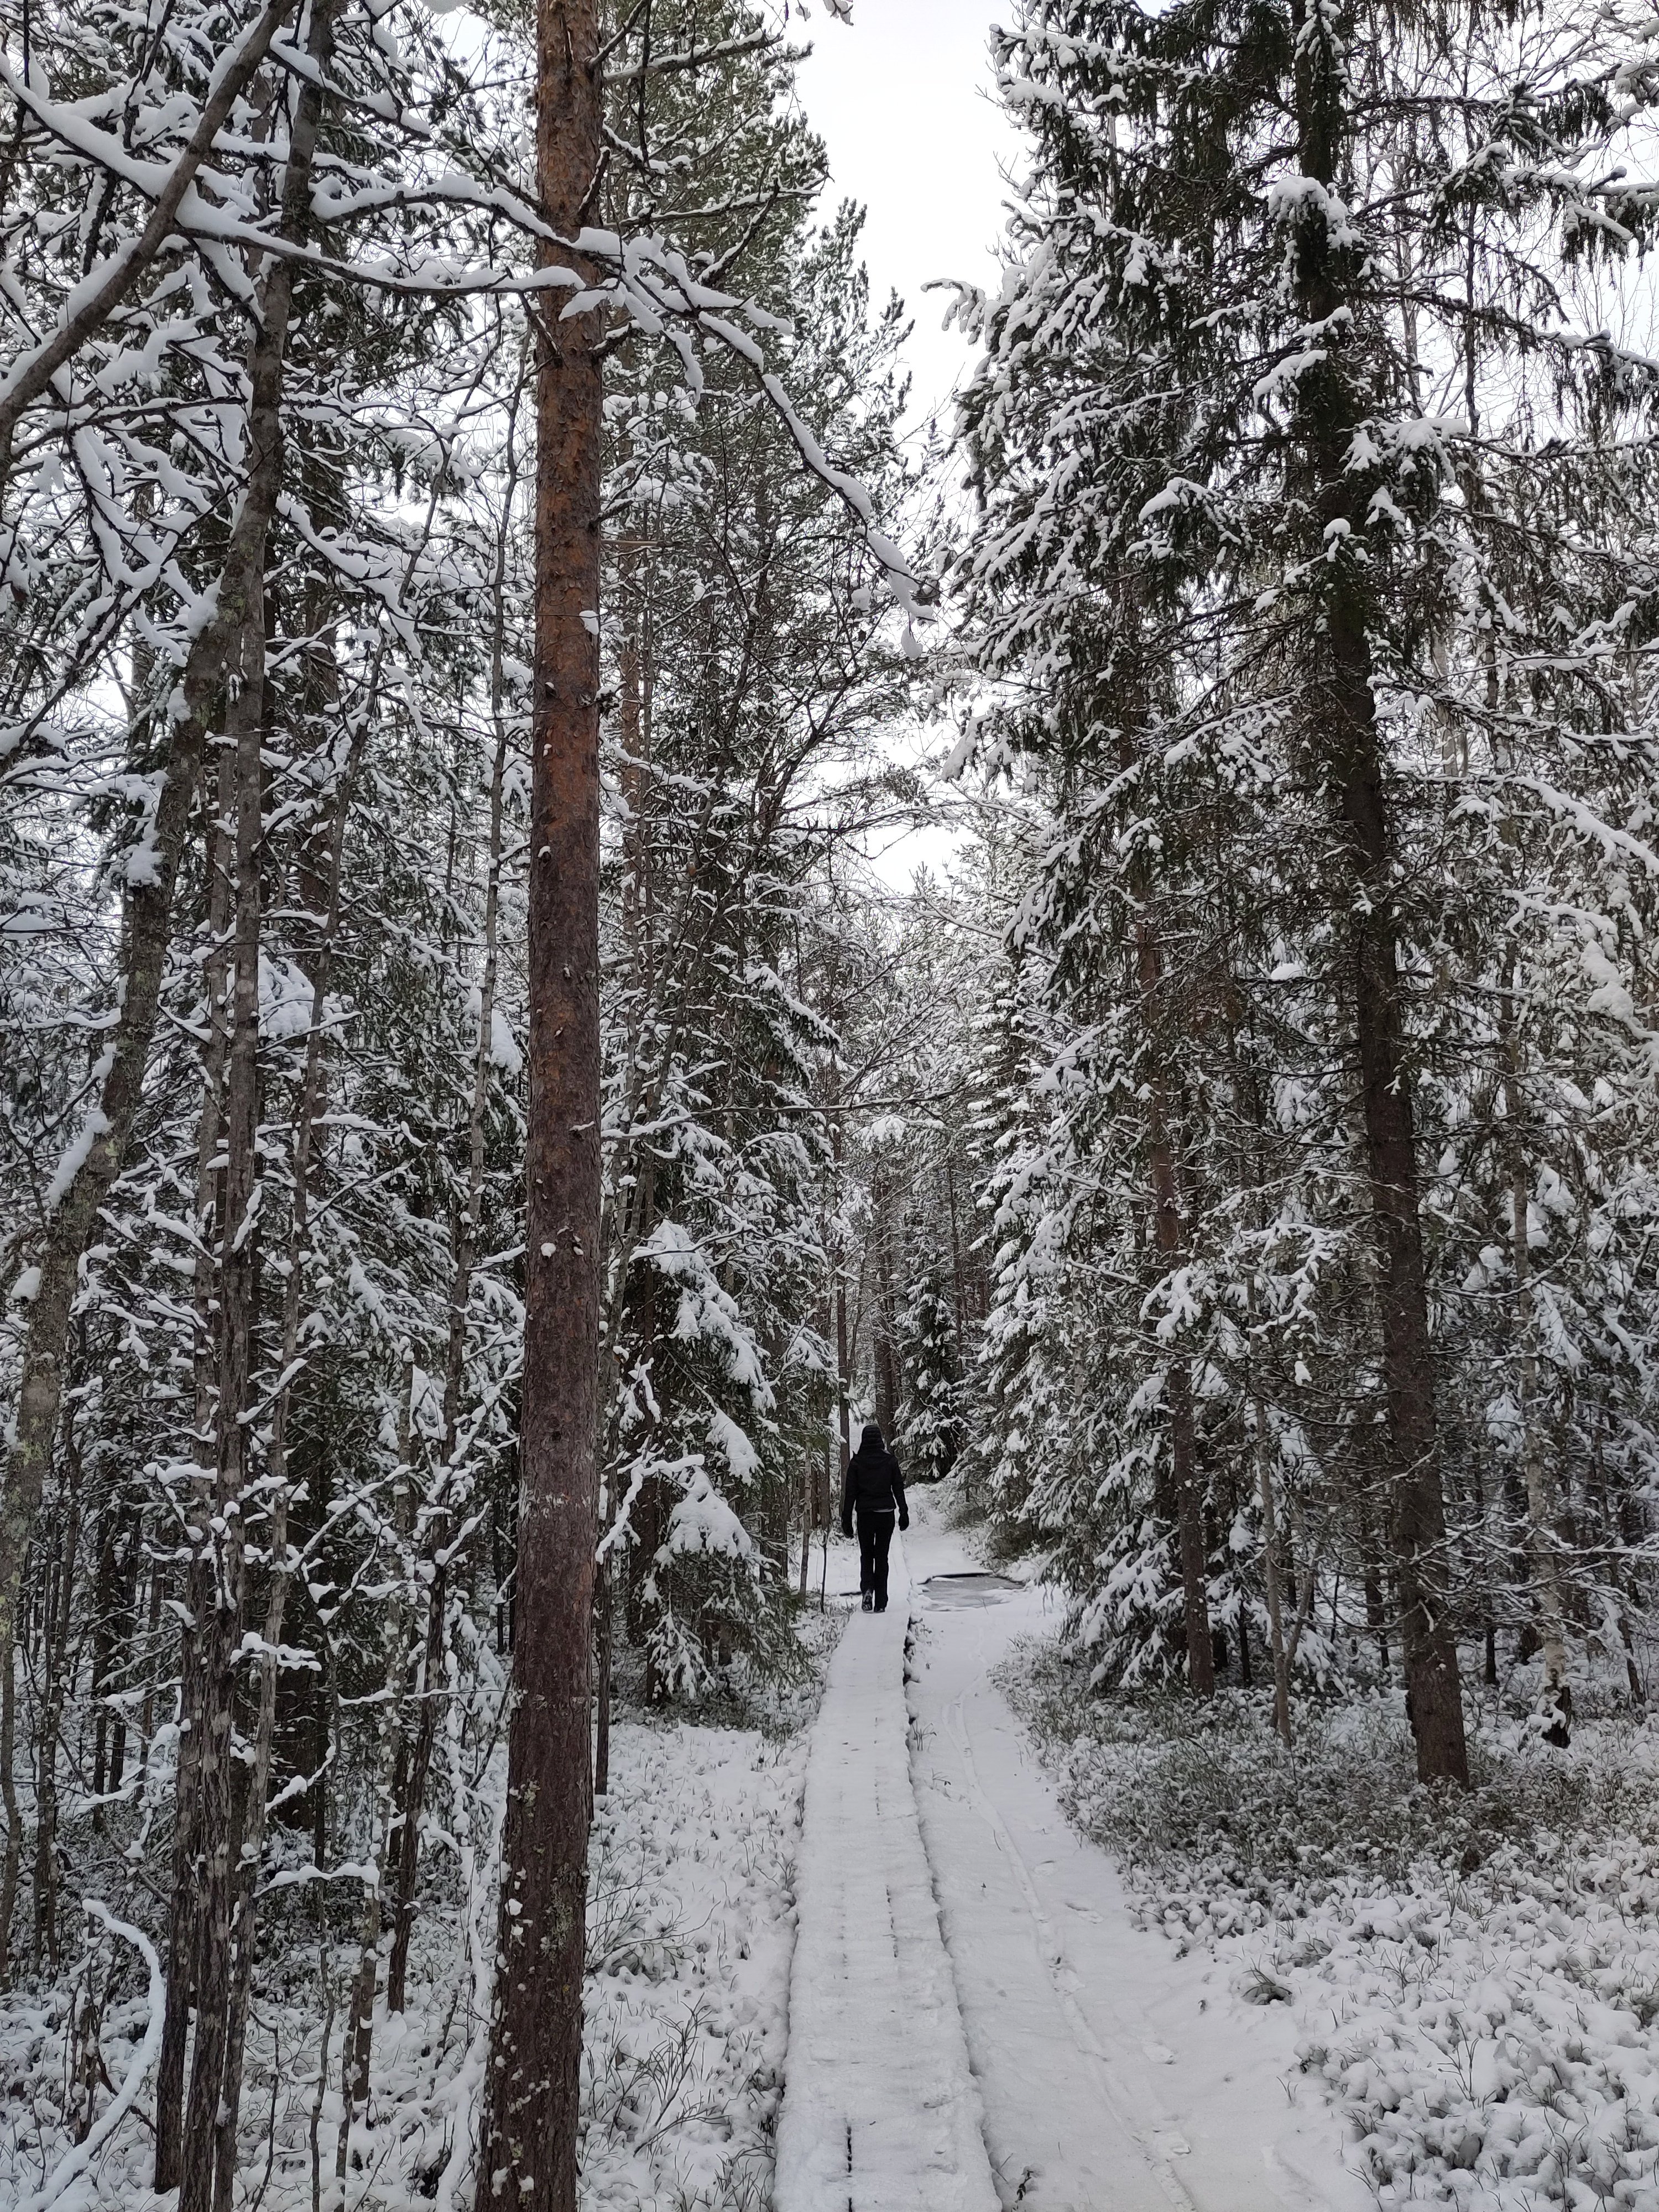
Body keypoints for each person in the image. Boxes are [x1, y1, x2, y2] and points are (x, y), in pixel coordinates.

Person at [841, 1421, 908, 1613]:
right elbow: (898, 1488)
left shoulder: (857, 1463)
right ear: (880, 1440)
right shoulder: (890, 1461)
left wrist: (846, 1519)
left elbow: (850, 1493)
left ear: (863, 1440)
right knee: (882, 1557)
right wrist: (904, 1512)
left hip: (865, 1516)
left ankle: (868, 1589)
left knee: (867, 1555)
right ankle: (881, 1601)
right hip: (886, 1515)